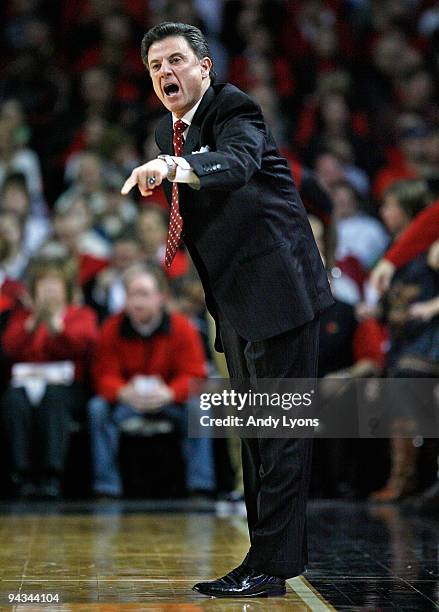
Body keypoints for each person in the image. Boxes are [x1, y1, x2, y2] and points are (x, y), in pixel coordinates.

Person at [121, 22, 333, 598]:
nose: (166, 72)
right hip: (240, 305)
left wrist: (170, 166)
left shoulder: (234, 109)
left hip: (281, 297)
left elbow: (237, 163)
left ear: (205, 66)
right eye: (155, 65)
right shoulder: (178, 129)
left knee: (281, 435)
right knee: (257, 437)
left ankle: (270, 565)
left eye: (176, 61)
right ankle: (264, 560)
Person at [88, 263, 213, 498]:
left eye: (144, 294)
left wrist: (170, 393)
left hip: (169, 401)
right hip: (128, 401)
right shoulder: (111, 328)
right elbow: (102, 375)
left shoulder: (183, 328)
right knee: (97, 409)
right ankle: (106, 487)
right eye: (131, 295)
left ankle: (200, 485)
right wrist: (122, 392)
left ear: (160, 297)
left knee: (200, 407)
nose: (137, 302)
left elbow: (195, 375)